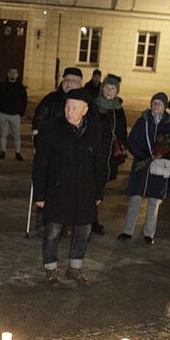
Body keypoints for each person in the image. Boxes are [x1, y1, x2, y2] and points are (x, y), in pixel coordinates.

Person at [33, 89, 108, 286]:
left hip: (85, 190)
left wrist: (98, 190)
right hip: (58, 190)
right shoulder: (51, 129)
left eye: (75, 108)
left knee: (83, 231)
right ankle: (50, 268)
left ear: (85, 110)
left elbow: (99, 163)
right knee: (53, 231)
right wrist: (40, 193)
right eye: (67, 106)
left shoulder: (95, 129)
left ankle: (74, 268)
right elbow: (40, 163)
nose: (69, 111)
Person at [31, 67, 84, 234]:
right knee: (45, 185)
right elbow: (38, 123)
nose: (69, 84)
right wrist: (41, 145)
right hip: (50, 153)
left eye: (74, 81)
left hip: (71, 156)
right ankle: (42, 221)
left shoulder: (84, 103)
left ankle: (65, 222)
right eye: (67, 80)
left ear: (80, 84)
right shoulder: (50, 100)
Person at [119, 92, 170, 245]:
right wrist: (143, 155)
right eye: (154, 102)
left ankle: (149, 233)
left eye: (159, 103)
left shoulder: (169, 125)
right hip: (141, 165)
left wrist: (163, 154)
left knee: (153, 201)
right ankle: (127, 231)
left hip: (159, 167)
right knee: (135, 199)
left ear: (165, 107)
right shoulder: (142, 122)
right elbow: (132, 141)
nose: (156, 105)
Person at [93, 74, 128, 183]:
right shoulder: (94, 105)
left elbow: (122, 127)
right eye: (107, 88)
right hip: (97, 147)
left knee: (107, 176)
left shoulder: (118, 108)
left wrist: (124, 144)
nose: (109, 91)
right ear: (102, 88)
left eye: (112, 88)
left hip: (112, 148)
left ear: (116, 91)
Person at [0, 68, 27, 161]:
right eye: (11, 73)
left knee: (16, 135)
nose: (13, 74)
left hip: (16, 115)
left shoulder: (21, 87)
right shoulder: (2, 86)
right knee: (3, 134)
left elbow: (24, 100)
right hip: (3, 114)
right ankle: (2, 152)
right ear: (8, 74)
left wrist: (21, 113)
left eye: (15, 73)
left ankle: (17, 153)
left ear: (17, 75)